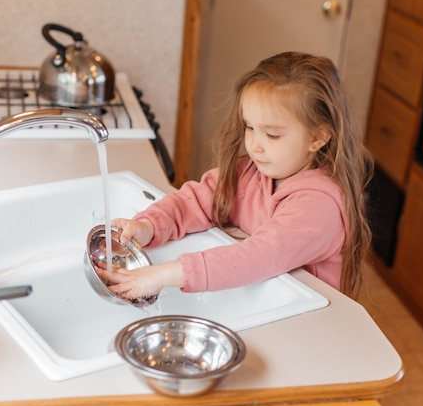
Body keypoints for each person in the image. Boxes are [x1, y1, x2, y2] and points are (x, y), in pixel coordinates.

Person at [96, 51, 373, 301]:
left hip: (308, 326)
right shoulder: (251, 173)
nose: (254, 145)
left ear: (318, 137)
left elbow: (257, 257)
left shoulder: (319, 207)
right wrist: (149, 226)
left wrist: (162, 275)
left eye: (272, 134)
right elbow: (195, 201)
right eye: (250, 127)